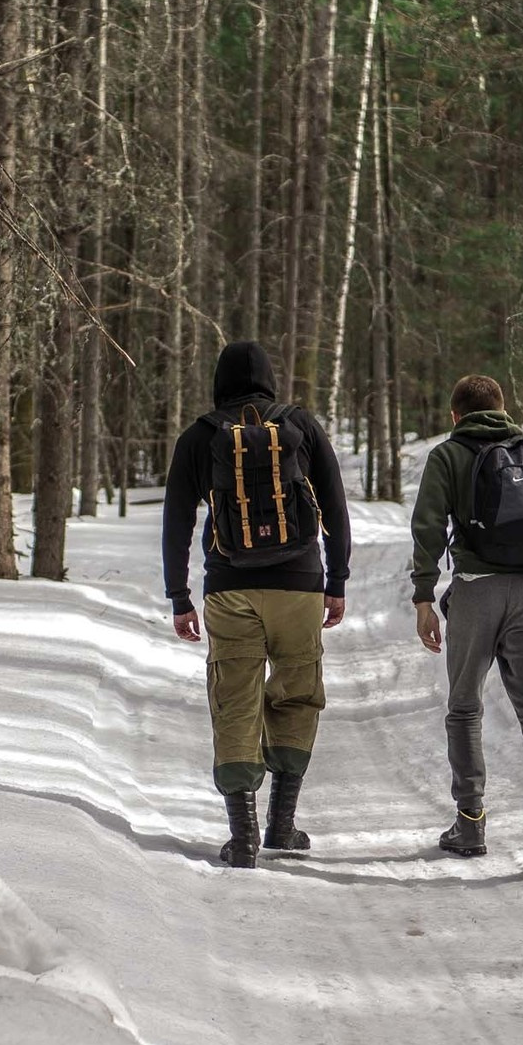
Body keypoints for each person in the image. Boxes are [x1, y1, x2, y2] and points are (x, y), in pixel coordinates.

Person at [164, 340, 353, 868]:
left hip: (229, 589)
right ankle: (282, 825)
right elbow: (335, 507)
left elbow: (177, 521)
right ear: (271, 379)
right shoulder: (301, 426)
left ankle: (243, 836)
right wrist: (336, 581)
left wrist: (179, 596)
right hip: (299, 585)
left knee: (235, 702)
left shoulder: (200, 436)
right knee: (297, 695)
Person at [410, 374, 523, 874]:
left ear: (455, 416)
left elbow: (428, 526)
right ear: (504, 409)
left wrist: (423, 596)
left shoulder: (447, 456)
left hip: (476, 591)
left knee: (464, 707)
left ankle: (470, 821)